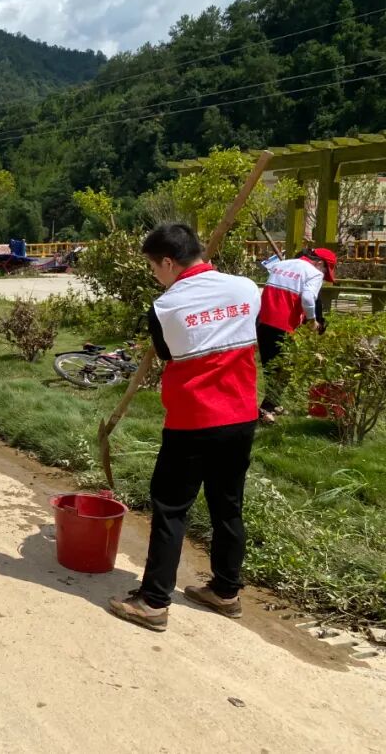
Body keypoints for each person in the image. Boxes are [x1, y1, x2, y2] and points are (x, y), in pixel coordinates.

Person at [109, 223, 260, 632]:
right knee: (227, 505)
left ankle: (153, 602)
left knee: (171, 508)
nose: (153, 275)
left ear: (169, 261)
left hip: (193, 421)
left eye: (153, 267)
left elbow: (165, 354)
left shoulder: (164, 308)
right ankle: (226, 592)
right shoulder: (246, 288)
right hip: (241, 417)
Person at [256, 246, 337, 424]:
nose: (324, 273)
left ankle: (273, 404)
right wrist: (312, 320)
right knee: (286, 368)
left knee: (271, 366)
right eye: (326, 269)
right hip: (284, 324)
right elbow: (308, 298)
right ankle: (265, 411)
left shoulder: (282, 265)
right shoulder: (314, 273)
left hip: (263, 321)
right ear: (320, 263)